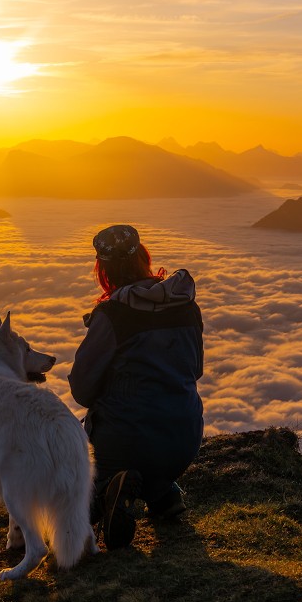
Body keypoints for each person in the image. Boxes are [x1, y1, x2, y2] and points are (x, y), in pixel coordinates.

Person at [68, 224, 204, 550]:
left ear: (103, 269)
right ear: (143, 256)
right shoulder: (185, 304)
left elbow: (82, 389)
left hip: (126, 440)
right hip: (184, 439)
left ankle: (106, 495)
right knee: (152, 451)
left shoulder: (113, 314)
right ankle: (162, 493)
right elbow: (195, 370)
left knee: (75, 505)